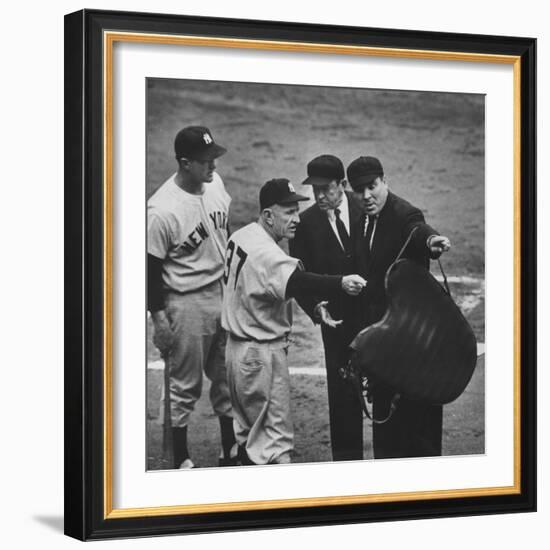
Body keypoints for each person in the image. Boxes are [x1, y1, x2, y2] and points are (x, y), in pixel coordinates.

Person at [221, 178, 366, 465]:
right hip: (260, 356)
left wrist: (313, 310)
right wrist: (341, 282)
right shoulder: (268, 254)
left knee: (250, 438)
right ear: (268, 216)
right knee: (275, 447)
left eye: (297, 210)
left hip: (236, 353)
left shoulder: (243, 235)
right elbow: (301, 281)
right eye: (288, 212)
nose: (296, 219)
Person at [347, 155, 451, 459]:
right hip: (386, 345)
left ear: (384, 182)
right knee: (388, 434)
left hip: (414, 346)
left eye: (372, 186)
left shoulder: (403, 212)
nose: (366, 195)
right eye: (359, 189)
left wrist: (431, 241)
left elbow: (417, 230)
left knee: (418, 431)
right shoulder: (363, 216)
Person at [147, 125, 237, 469]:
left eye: (214, 157)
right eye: (205, 161)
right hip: (185, 303)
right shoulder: (161, 211)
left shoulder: (215, 184)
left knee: (227, 376)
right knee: (184, 385)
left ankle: (229, 447)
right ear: (185, 163)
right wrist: (159, 321)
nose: (213, 166)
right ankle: (181, 457)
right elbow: (149, 271)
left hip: (221, 292)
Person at [289, 155, 364, 461]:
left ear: (342, 185)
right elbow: (301, 278)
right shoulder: (305, 224)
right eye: (314, 189)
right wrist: (316, 308)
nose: (319, 195)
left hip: (376, 318)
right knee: (343, 398)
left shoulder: (366, 208)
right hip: (337, 322)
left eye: (326, 188)